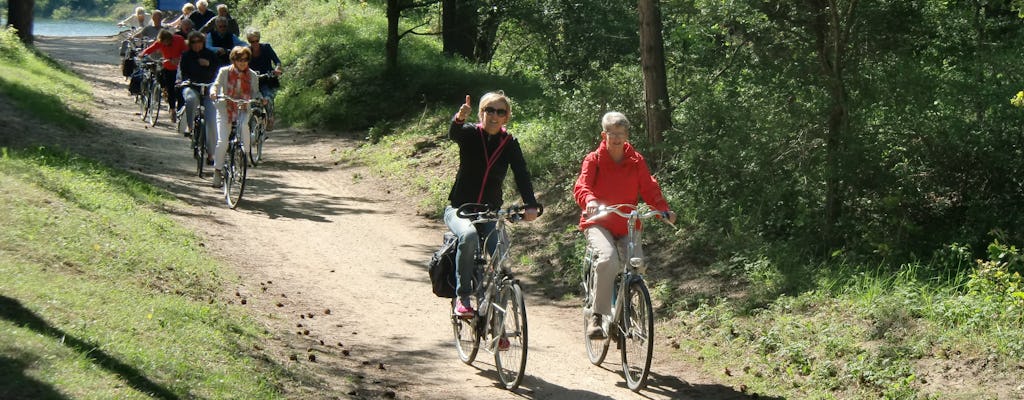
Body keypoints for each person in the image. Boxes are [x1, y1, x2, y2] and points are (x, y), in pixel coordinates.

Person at [573, 111, 676, 339]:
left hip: (628, 222)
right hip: (598, 221)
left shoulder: (636, 160)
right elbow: (582, 186)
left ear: (627, 135)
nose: (617, 138)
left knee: (635, 266)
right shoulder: (594, 159)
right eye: (612, 134)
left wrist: (662, 210)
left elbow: (649, 188)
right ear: (604, 134)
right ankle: (597, 317)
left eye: (621, 134)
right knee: (608, 259)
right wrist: (589, 200)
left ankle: (626, 312)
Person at [445, 92, 541, 318]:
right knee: (467, 237)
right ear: (481, 113)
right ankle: (463, 297)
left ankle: (499, 323)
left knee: (503, 260)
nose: (494, 116)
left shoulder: (509, 143)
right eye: (489, 110)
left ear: (506, 117)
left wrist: (530, 204)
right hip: (459, 209)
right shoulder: (470, 133)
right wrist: (459, 117)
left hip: (490, 212)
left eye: (501, 112)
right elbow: (454, 133)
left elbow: (522, 175)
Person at [210, 46, 262, 188]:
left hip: (243, 107)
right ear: (234, 60)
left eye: (245, 60)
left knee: (244, 125)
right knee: (222, 142)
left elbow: (255, 92)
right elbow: (216, 85)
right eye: (239, 60)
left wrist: (260, 99)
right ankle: (217, 171)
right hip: (225, 108)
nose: (243, 62)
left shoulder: (252, 75)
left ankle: (244, 155)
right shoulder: (224, 72)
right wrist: (214, 92)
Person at [177, 31, 219, 161]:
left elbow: (217, 73)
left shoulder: (211, 55)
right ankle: (190, 126)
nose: (196, 45)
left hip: (208, 90)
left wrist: (208, 65)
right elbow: (183, 73)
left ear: (203, 42)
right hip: (192, 86)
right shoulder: (186, 56)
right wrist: (186, 80)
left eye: (199, 42)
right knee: (190, 99)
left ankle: (211, 154)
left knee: (212, 122)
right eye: (193, 42)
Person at [140, 29, 188, 123]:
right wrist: (142, 54)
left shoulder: (179, 39)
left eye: (167, 42)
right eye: (163, 43)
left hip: (179, 68)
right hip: (168, 68)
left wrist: (178, 59)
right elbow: (150, 49)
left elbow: (186, 52)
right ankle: (172, 109)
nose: (165, 44)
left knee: (179, 89)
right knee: (169, 88)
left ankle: (178, 109)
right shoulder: (160, 42)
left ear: (170, 38)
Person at [246, 30, 282, 130]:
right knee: (251, 101)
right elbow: (243, 63)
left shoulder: (266, 48)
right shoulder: (247, 51)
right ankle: (252, 123)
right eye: (252, 42)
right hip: (253, 81)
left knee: (267, 98)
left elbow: (277, 61)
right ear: (249, 42)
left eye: (257, 41)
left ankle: (270, 118)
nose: (255, 43)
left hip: (268, 80)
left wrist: (277, 69)